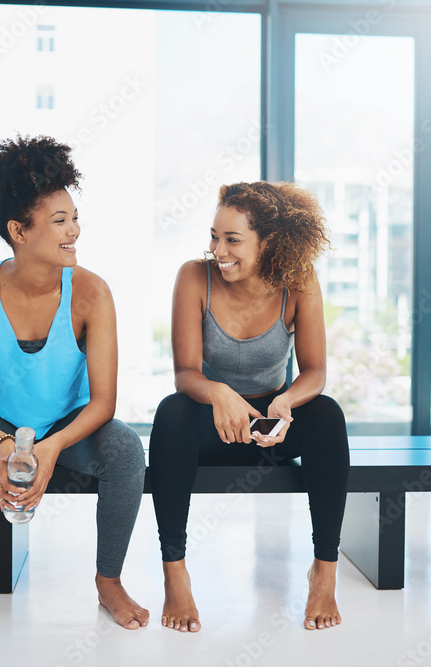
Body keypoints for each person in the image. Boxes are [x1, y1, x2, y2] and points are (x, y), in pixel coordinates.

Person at [0, 135, 149, 636]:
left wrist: (52, 447)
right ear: (19, 231)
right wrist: (3, 445)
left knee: (127, 451)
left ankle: (109, 580)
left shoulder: (91, 291)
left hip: (71, 427)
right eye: (59, 221)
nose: (75, 231)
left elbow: (104, 401)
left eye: (74, 217)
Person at [149, 181, 350, 632]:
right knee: (171, 411)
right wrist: (219, 393)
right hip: (212, 425)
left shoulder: (299, 281)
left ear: (270, 242)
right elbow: (185, 374)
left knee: (327, 414)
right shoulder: (193, 277)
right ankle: (175, 573)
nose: (219, 250)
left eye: (233, 239)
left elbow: (315, 372)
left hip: (272, 428)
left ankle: (324, 570)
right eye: (214, 236)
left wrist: (285, 401)